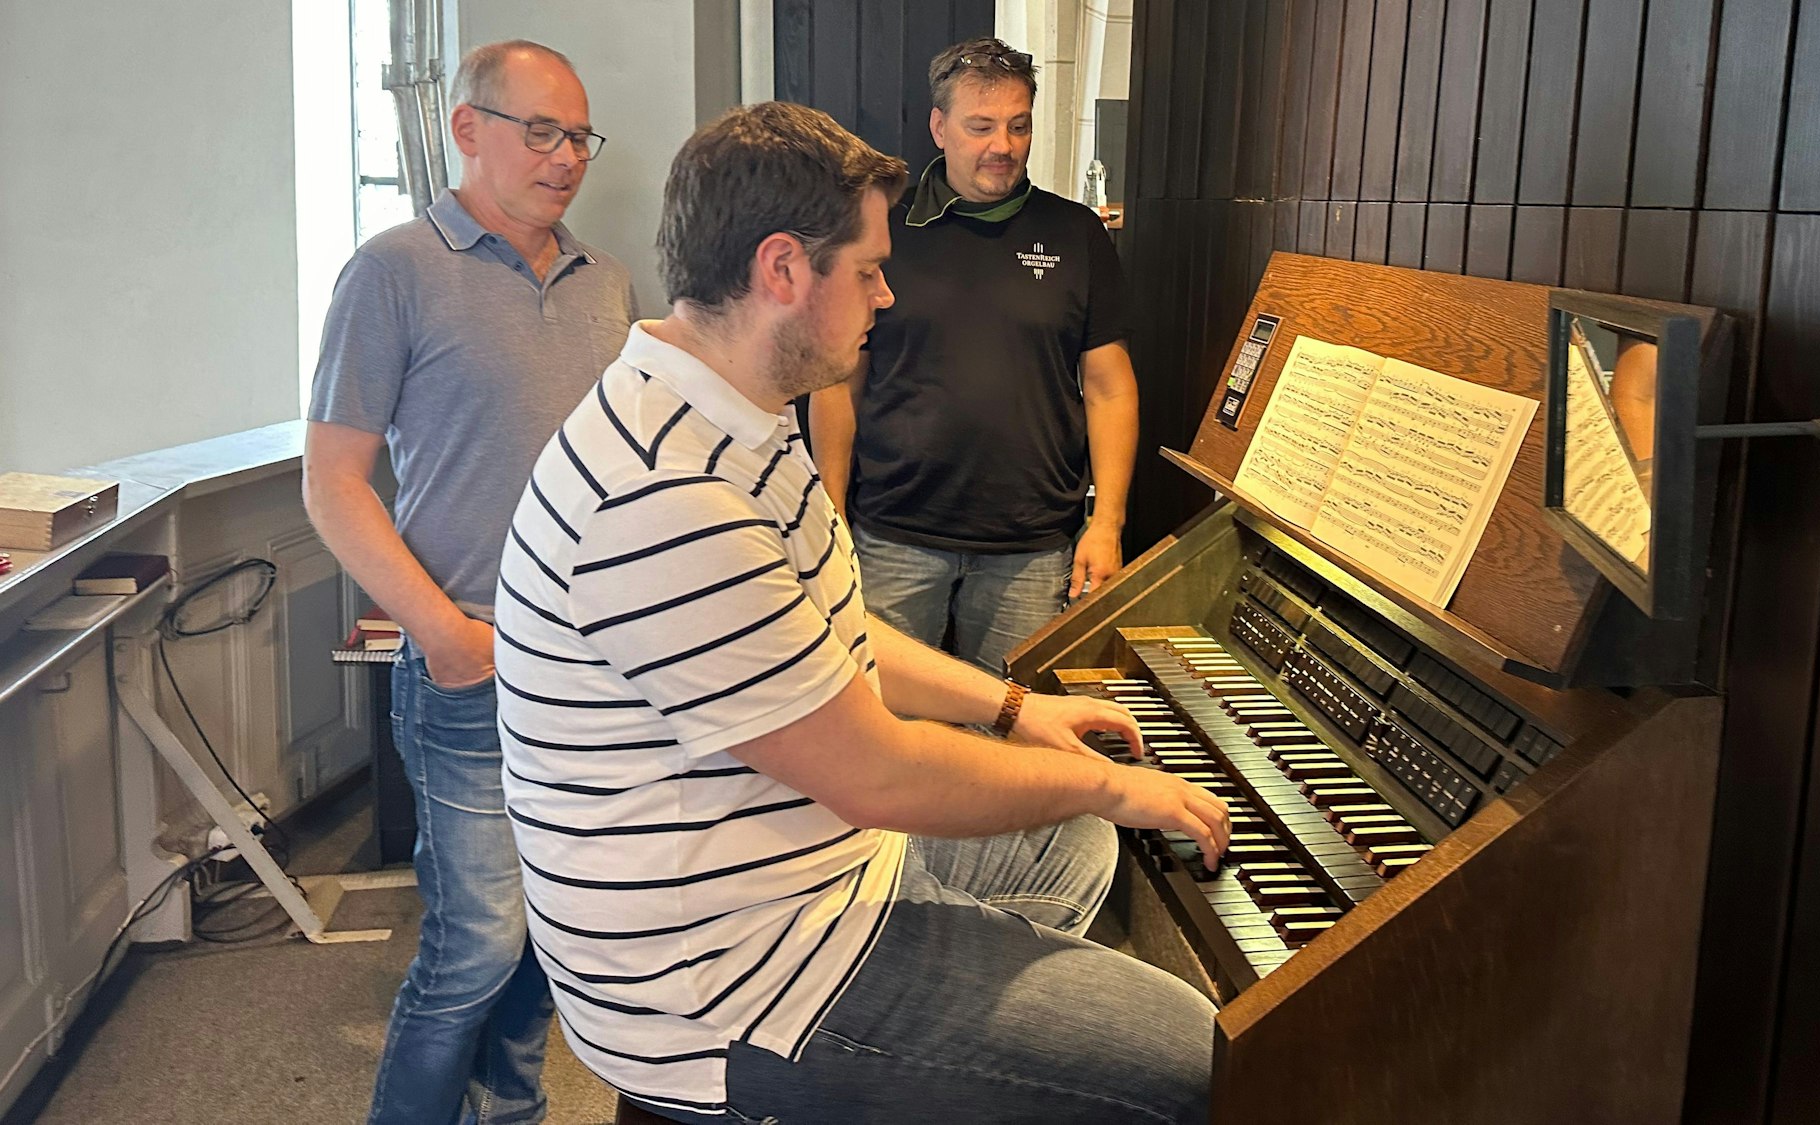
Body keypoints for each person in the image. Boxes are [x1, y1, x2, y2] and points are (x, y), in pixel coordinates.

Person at [495, 101, 1223, 1124]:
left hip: (800, 864)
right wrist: (1111, 783)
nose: (887, 294)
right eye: (871, 270)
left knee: (1066, 845)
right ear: (783, 269)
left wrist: (1014, 709)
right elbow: (877, 773)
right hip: (724, 977)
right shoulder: (668, 494)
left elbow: (822, 629)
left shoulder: (732, 412)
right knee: (1200, 1060)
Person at [302, 39, 634, 1125]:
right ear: (466, 128)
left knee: (555, 938)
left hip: (592, 676)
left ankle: (511, 1112)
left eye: (578, 136)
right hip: (472, 663)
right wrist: (442, 634)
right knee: (476, 945)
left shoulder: (607, 284)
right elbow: (333, 484)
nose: (566, 157)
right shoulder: (393, 270)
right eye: (540, 132)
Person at [808, 37, 1140, 677]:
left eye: (1019, 126)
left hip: (1032, 545)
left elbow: (1110, 388)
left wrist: (1107, 522)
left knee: (1013, 723)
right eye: (980, 127)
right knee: (882, 713)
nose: (1003, 146)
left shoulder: (1076, 233)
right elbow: (839, 379)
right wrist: (830, 508)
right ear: (940, 128)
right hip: (893, 535)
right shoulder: (882, 228)